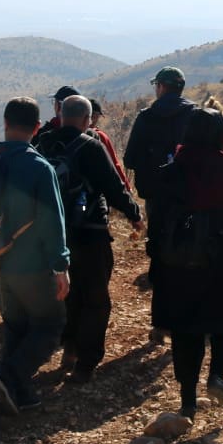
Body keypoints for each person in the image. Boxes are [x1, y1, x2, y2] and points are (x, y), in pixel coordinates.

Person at [148, 109, 223, 419]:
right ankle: (217, 375)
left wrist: (157, 259)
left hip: (177, 268)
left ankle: (187, 402)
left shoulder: (170, 171)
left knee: (185, 334)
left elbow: (156, 223)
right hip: (219, 265)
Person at [0, 97, 71, 413]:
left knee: (16, 324)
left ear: (5, 122)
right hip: (29, 263)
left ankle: (18, 391)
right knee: (50, 324)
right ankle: (10, 373)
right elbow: (51, 221)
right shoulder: (39, 167)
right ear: (37, 128)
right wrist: (60, 264)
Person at [35, 96, 142, 385]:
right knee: (95, 299)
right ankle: (85, 363)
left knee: (64, 294)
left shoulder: (42, 144)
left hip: (53, 236)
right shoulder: (91, 145)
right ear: (87, 119)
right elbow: (113, 186)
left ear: (60, 114)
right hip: (91, 232)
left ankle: (68, 348)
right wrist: (134, 214)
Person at [123, 67, 196, 232]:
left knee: (157, 237)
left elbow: (130, 159)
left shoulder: (146, 117)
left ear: (161, 87)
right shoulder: (194, 114)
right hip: (187, 190)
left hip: (154, 191)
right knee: (185, 238)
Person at [89, 98, 130, 188]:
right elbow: (115, 164)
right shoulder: (100, 136)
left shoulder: (70, 134)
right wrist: (126, 186)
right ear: (95, 116)